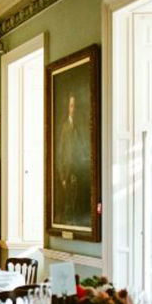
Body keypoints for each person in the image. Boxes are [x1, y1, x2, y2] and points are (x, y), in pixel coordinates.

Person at [56, 94, 86, 224]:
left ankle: (74, 220)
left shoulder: (79, 127)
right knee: (68, 200)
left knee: (76, 198)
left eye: (75, 106)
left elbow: (82, 147)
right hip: (67, 171)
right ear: (68, 108)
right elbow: (60, 152)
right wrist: (62, 175)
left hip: (77, 169)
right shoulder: (65, 128)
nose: (73, 109)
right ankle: (68, 220)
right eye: (71, 106)